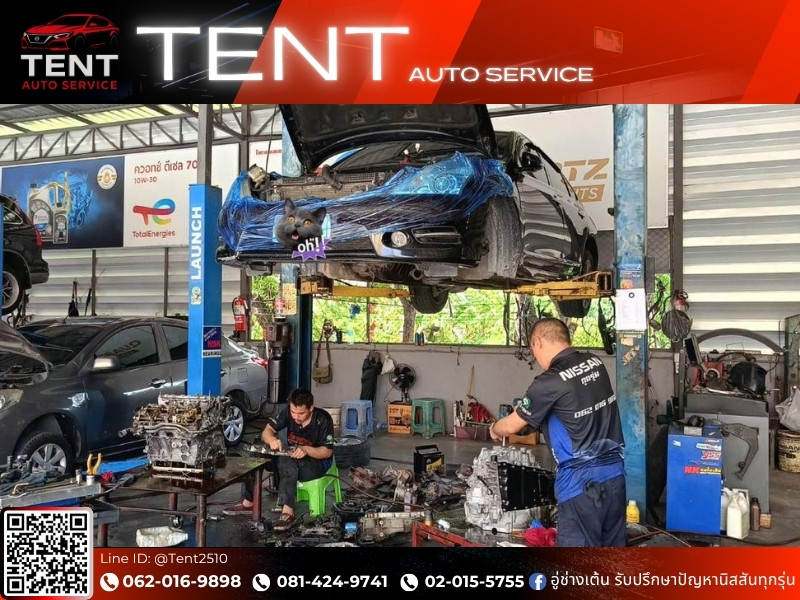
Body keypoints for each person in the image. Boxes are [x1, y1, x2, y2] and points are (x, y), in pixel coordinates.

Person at [489, 317, 627, 547]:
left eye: (533, 351)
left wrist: (494, 428)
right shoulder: (594, 363)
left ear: (538, 343)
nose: (536, 358)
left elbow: (513, 426)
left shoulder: (547, 383)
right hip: (615, 477)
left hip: (581, 486)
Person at [223, 388, 335, 531]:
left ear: (311, 408)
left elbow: (327, 452)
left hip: (316, 463)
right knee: (257, 453)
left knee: (287, 460)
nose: (296, 417)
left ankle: (288, 512)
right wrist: (272, 440)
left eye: (301, 413)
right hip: (290, 457)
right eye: (293, 412)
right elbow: (267, 431)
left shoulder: (323, 419)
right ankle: (248, 502)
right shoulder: (288, 412)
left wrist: (306, 450)